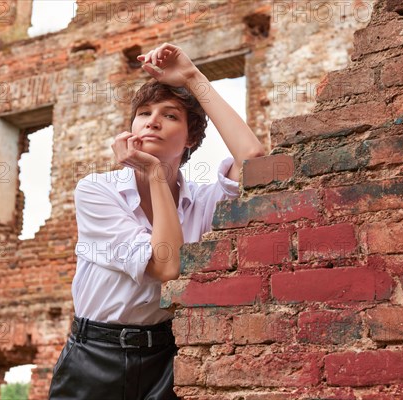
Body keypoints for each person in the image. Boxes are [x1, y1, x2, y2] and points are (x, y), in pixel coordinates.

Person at [48, 43, 265, 399]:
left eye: (170, 115)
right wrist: (153, 173)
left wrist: (193, 76)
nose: (152, 121)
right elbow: (165, 265)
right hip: (94, 356)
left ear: (191, 137)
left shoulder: (202, 199)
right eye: (144, 113)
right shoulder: (97, 191)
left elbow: (253, 158)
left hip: (167, 356)